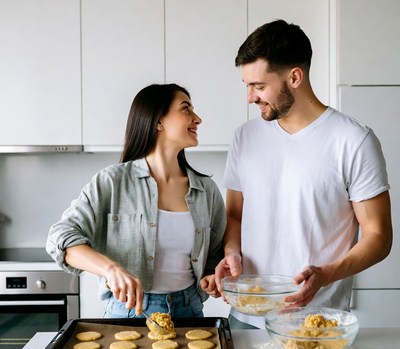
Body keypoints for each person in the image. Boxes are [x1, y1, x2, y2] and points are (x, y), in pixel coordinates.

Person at [214, 20, 392, 329]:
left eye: (258, 86)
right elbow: (235, 215)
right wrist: (231, 253)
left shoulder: (353, 140)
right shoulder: (245, 137)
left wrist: (327, 273)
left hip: (315, 319)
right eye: (247, 86)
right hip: (246, 315)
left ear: (295, 76)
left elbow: (378, 236)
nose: (250, 97)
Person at [46, 83, 226, 319]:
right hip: (129, 312)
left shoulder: (206, 190)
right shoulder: (113, 182)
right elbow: (60, 238)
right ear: (158, 121)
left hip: (189, 311)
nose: (198, 119)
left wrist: (211, 276)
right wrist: (111, 269)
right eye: (186, 109)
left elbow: (216, 252)